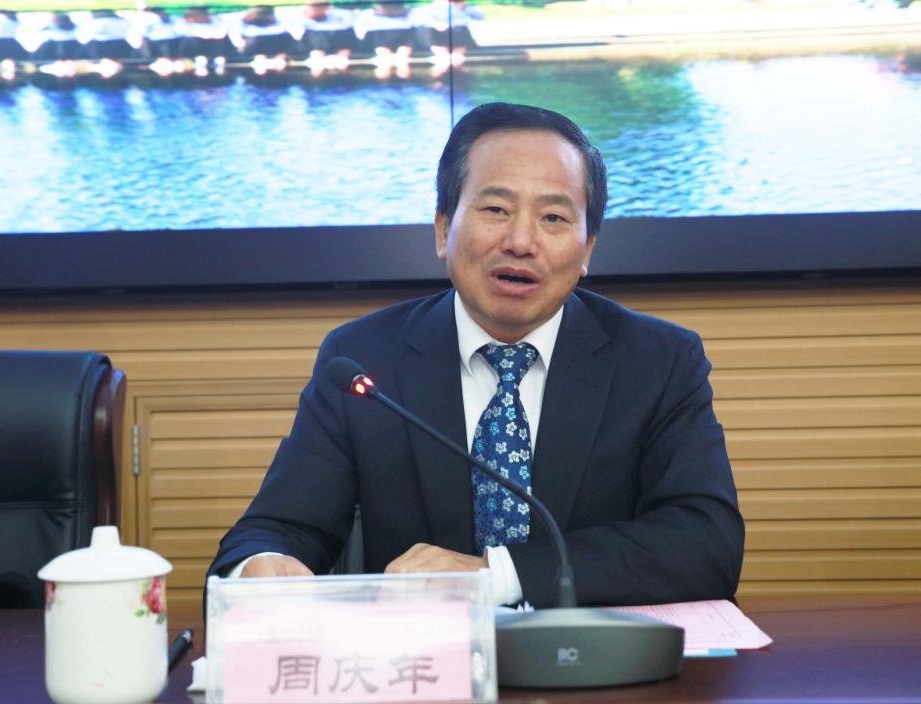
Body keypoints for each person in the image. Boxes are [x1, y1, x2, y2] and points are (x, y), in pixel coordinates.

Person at [208, 102, 744, 608]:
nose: (521, 241)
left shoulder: (658, 361)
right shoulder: (363, 361)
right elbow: (279, 527)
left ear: (587, 250)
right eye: (495, 209)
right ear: (444, 229)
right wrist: (260, 566)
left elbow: (705, 543)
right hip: (424, 658)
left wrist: (496, 574)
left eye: (554, 218)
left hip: (591, 655)